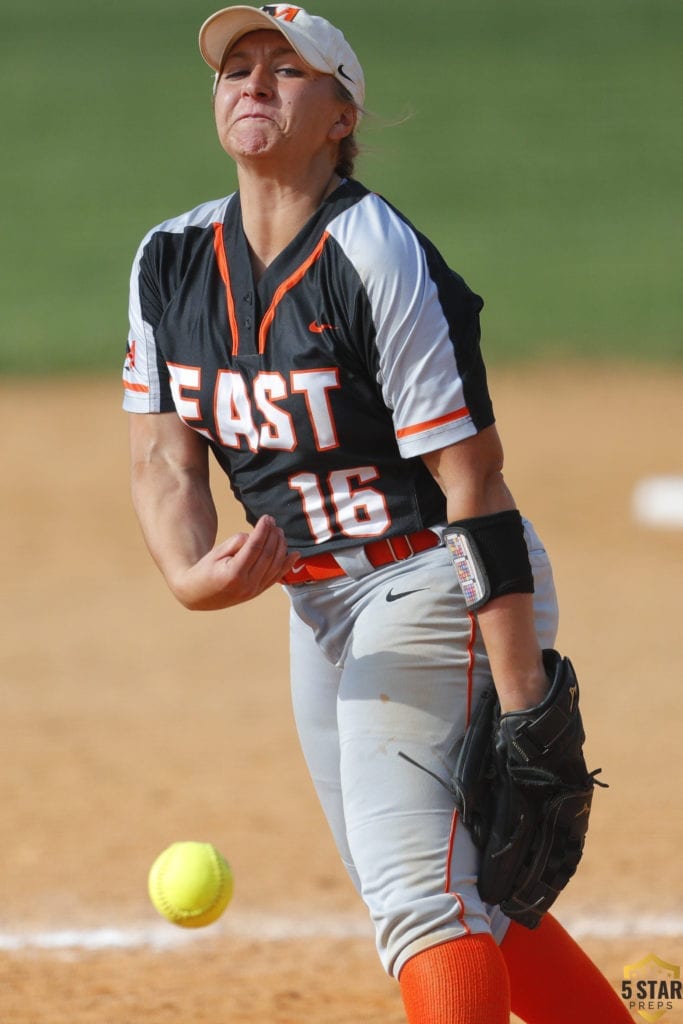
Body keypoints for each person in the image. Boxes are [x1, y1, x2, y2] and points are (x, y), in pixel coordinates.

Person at [123, 6, 630, 1021]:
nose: (252, 82)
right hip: (322, 608)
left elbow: (472, 484)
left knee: (416, 896)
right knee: (455, 886)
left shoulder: (374, 254)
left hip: (433, 579)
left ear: (340, 115)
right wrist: (187, 575)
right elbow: (162, 455)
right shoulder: (167, 260)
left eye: (286, 69)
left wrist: (524, 696)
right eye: (236, 66)